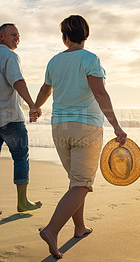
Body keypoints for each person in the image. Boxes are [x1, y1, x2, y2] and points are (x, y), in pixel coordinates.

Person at [32, 15, 127, 259]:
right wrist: (116, 125)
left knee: (76, 182)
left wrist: (36, 106)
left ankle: (79, 226)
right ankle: (52, 230)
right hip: (86, 127)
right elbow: (100, 93)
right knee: (82, 183)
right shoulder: (90, 59)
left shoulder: (54, 61)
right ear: (86, 35)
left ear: (65, 38)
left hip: (59, 128)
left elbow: (45, 89)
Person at [0, 23, 42, 216]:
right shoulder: (10, 56)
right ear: (1, 36)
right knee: (21, 156)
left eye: (18, 35)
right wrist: (32, 104)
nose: (17, 38)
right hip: (9, 118)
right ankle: (22, 202)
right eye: (13, 34)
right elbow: (17, 81)